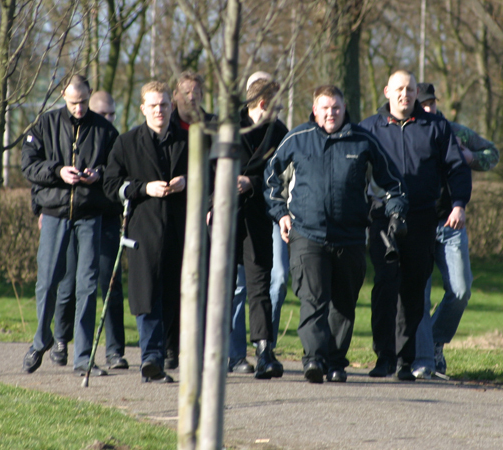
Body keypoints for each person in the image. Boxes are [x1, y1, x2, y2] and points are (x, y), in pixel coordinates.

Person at [264, 85, 408, 383]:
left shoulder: (363, 140)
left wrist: (396, 212)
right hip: (307, 233)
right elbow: (270, 179)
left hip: (351, 236)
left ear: (345, 109)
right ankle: (314, 359)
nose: (331, 113)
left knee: (343, 304)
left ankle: (335, 361)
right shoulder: (297, 138)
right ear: (315, 110)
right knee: (313, 298)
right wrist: (281, 215)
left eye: (336, 108)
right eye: (325, 108)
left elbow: (393, 183)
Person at [360, 70, 471, 381]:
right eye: (398, 89)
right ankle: (384, 357)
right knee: (385, 285)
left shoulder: (436, 127)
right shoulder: (369, 128)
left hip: (423, 218)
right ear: (386, 91)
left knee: (412, 290)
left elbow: (456, 167)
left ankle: (405, 360)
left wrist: (459, 203)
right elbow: (353, 170)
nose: (404, 95)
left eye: (410, 89)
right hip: (382, 218)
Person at [21, 74, 119, 376]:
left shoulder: (105, 130)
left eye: (84, 102)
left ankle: (83, 357)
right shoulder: (45, 125)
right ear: (64, 95)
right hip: (54, 213)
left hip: (90, 215)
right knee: (48, 281)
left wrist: (98, 174)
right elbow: (28, 164)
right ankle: (41, 340)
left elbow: (117, 168)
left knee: (87, 286)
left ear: (90, 95)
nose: (79, 108)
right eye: (74, 103)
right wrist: (58, 171)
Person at [412, 82, 499, 378]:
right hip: (419, 225)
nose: (428, 109)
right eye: (422, 104)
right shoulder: (408, 133)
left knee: (461, 289)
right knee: (419, 296)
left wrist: (471, 157)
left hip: (451, 224)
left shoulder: (455, 131)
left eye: (431, 103)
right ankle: (423, 356)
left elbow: (492, 152)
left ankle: (435, 341)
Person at [104, 81, 188, 383]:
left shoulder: (188, 142)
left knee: (173, 296)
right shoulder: (126, 143)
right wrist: (144, 188)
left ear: (172, 106)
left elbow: (209, 176)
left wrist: (186, 182)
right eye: (152, 105)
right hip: (143, 231)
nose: (159, 110)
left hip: (181, 232)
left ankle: (166, 353)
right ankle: (150, 358)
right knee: (147, 294)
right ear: (143, 108)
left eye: (164, 105)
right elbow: (111, 185)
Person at [46, 89, 128, 371]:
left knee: (109, 284)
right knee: (68, 285)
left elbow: (120, 174)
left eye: (111, 113)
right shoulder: (72, 132)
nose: (108, 119)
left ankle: (115, 350)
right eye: (102, 113)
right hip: (76, 216)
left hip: (104, 218)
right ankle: (61, 339)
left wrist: (100, 175)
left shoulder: (113, 137)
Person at [223, 78, 288, 379]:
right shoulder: (226, 129)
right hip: (225, 216)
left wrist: (252, 182)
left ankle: (264, 350)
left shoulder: (280, 133)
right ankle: (221, 351)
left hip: (260, 216)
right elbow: (209, 172)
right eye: (276, 102)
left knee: (260, 286)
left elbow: (284, 179)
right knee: (223, 287)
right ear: (263, 103)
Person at [163, 70, 216, 370]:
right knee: (172, 284)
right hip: (171, 213)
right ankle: (171, 348)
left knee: (203, 285)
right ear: (175, 96)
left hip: (203, 214)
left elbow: (218, 169)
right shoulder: (164, 125)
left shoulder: (213, 126)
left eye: (196, 91)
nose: (192, 97)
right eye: (186, 91)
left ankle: (200, 348)